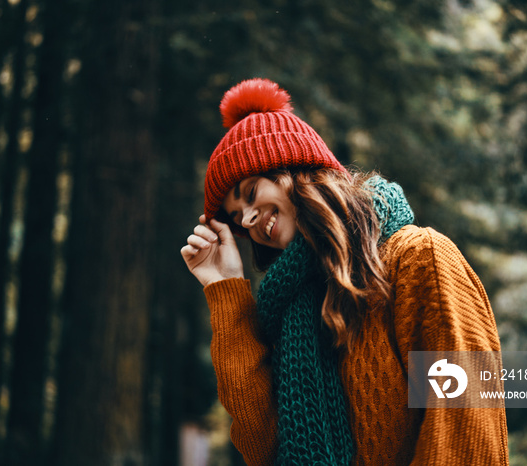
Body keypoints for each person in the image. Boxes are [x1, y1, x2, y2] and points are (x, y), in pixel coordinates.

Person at [181, 78, 509, 465]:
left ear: (296, 168)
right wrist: (227, 289)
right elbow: (263, 446)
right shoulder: (291, 312)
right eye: (237, 219)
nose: (250, 220)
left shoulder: (418, 259)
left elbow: (464, 429)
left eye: (251, 193)